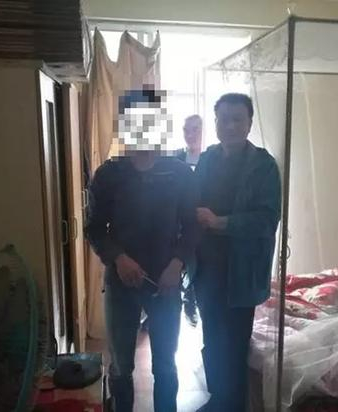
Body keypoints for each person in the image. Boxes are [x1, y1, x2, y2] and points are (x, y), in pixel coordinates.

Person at [85, 88, 199, 412]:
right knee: (121, 366)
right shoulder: (109, 174)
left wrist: (177, 264)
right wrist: (118, 258)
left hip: (165, 281)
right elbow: (94, 228)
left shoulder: (179, 173)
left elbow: (193, 226)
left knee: (165, 365)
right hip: (122, 280)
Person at [193, 93, 282, 412]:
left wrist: (221, 222)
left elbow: (267, 220)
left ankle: (234, 405)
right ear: (215, 122)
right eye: (223, 119)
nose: (229, 126)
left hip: (242, 271)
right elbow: (191, 202)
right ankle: (218, 399)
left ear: (249, 123)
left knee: (235, 343)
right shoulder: (207, 159)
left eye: (237, 119)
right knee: (211, 339)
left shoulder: (263, 166)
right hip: (206, 269)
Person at [176, 114, 203, 326]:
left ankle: (190, 301)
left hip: (202, 222)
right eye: (186, 130)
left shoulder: (210, 160)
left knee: (196, 265)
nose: (190, 134)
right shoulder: (176, 158)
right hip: (177, 222)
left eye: (195, 129)